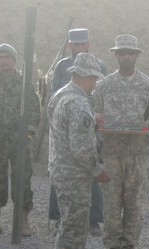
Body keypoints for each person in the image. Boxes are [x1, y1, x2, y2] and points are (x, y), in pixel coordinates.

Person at [48, 53, 110, 249]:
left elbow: (62, 123)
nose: (95, 83)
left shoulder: (62, 94)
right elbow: (82, 148)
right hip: (74, 174)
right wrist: (98, 170)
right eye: (93, 78)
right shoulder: (78, 103)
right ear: (84, 77)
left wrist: (90, 119)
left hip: (62, 170)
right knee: (74, 226)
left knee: (69, 222)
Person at [93, 34, 149, 249]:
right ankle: (112, 248)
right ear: (116, 55)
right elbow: (94, 116)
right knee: (111, 202)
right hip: (111, 153)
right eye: (122, 52)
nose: (126, 56)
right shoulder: (103, 85)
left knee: (133, 202)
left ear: (137, 55)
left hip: (138, 153)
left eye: (130, 52)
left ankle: (129, 247)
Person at [0, 44, 41, 237]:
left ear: (14, 59)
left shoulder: (25, 83)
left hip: (18, 141)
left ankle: (22, 222)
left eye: (7, 57)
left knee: (22, 179)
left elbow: (34, 109)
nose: (3, 60)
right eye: (0, 57)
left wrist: (28, 132)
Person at [49, 28, 106, 237]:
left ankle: (93, 220)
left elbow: (97, 99)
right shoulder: (62, 66)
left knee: (90, 182)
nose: (79, 47)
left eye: (83, 44)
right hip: (70, 135)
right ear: (70, 46)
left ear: (88, 45)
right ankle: (60, 220)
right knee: (78, 177)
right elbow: (53, 98)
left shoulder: (99, 65)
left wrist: (93, 116)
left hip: (87, 128)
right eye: (76, 44)